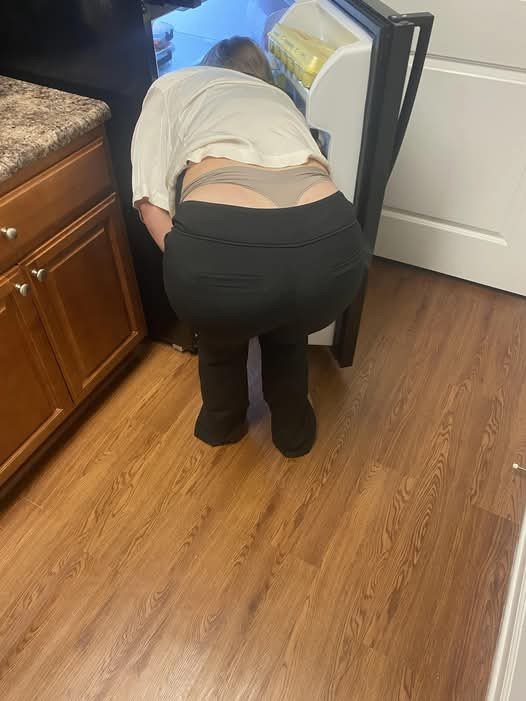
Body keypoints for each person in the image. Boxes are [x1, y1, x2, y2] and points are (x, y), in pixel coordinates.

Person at [131, 36, 369, 457]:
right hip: (335, 251)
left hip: (220, 244)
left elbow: (149, 199)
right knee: (288, 328)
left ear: (209, 64)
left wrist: (192, 260)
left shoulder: (172, 85)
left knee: (221, 334)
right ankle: (293, 431)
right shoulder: (280, 99)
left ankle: (222, 423)